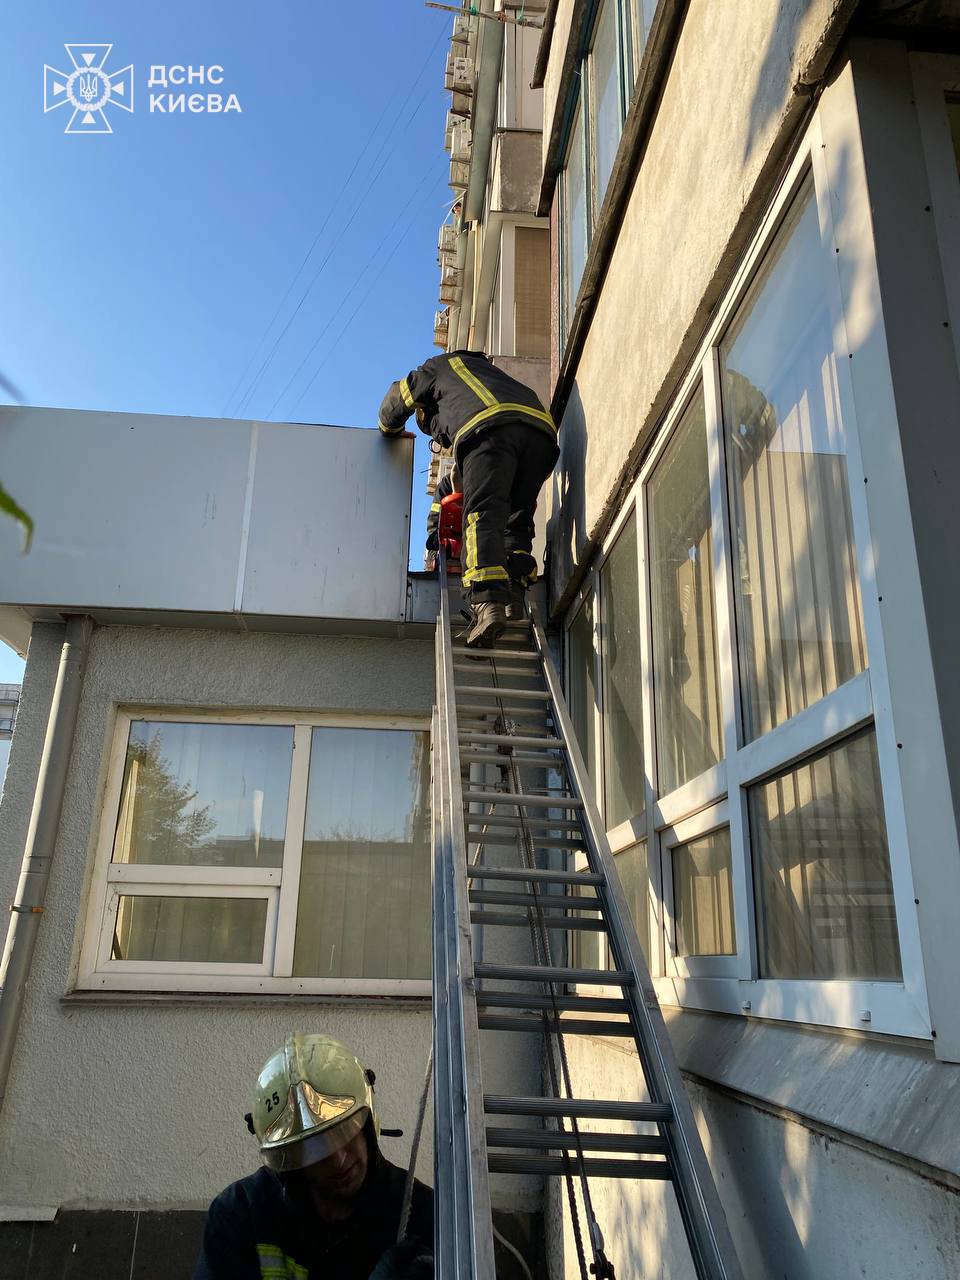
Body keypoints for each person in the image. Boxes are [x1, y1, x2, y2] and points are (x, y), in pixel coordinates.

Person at [194, 1033, 433, 1280]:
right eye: (315, 1149)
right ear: (289, 1160)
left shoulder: (423, 1214)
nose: (339, 1159)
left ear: (367, 1126)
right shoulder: (241, 1214)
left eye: (345, 1132)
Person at [379, 350, 558, 648]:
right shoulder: (486, 374)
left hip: (490, 428)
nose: (441, 439)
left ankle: (487, 604)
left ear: (429, 410)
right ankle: (513, 593)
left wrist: (390, 429)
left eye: (434, 431)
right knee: (516, 520)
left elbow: (401, 395)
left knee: (481, 515)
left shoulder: (438, 366)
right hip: (542, 434)